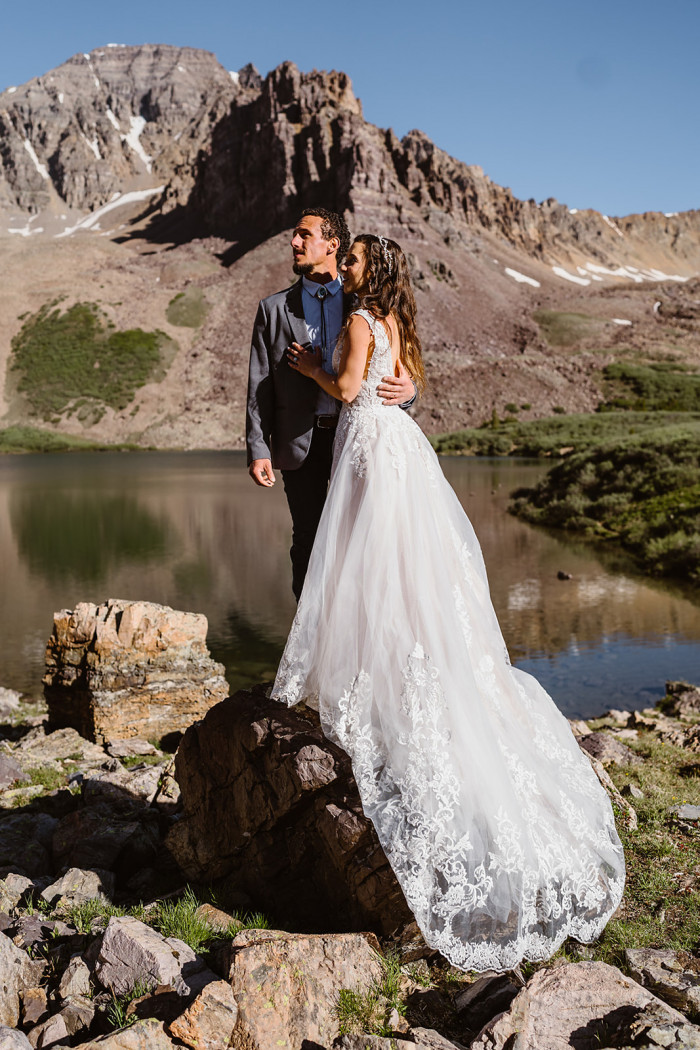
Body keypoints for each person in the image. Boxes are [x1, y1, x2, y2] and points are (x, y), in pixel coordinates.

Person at [272, 233, 625, 972]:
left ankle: (366, 674)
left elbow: (346, 388)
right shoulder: (397, 319)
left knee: (369, 564)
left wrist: (309, 364)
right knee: (403, 569)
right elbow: (400, 380)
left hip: (372, 442)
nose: (352, 264)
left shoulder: (365, 321)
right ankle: (395, 664)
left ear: (373, 269)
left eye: (359, 256)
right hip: (400, 444)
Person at [246, 208, 416, 599]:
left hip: (355, 440)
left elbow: (394, 365)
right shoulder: (273, 309)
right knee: (307, 538)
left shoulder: (364, 302)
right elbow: (260, 384)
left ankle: (357, 640)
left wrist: (410, 394)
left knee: (362, 540)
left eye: (304, 235)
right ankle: (309, 647)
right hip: (298, 443)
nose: (294, 243)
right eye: (295, 235)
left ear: (332, 245)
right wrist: (258, 448)